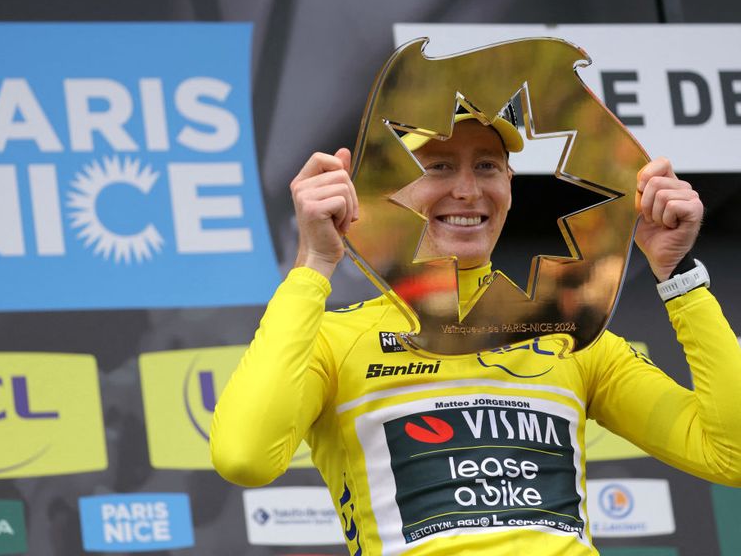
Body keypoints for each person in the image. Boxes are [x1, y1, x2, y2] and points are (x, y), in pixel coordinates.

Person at [210, 109, 741, 556]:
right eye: (438, 166)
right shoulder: (336, 338)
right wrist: (314, 263)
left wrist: (680, 275)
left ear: (508, 185)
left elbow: (731, 454)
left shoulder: (567, 332)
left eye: (487, 165)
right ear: (387, 188)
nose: (467, 190)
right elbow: (244, 456)